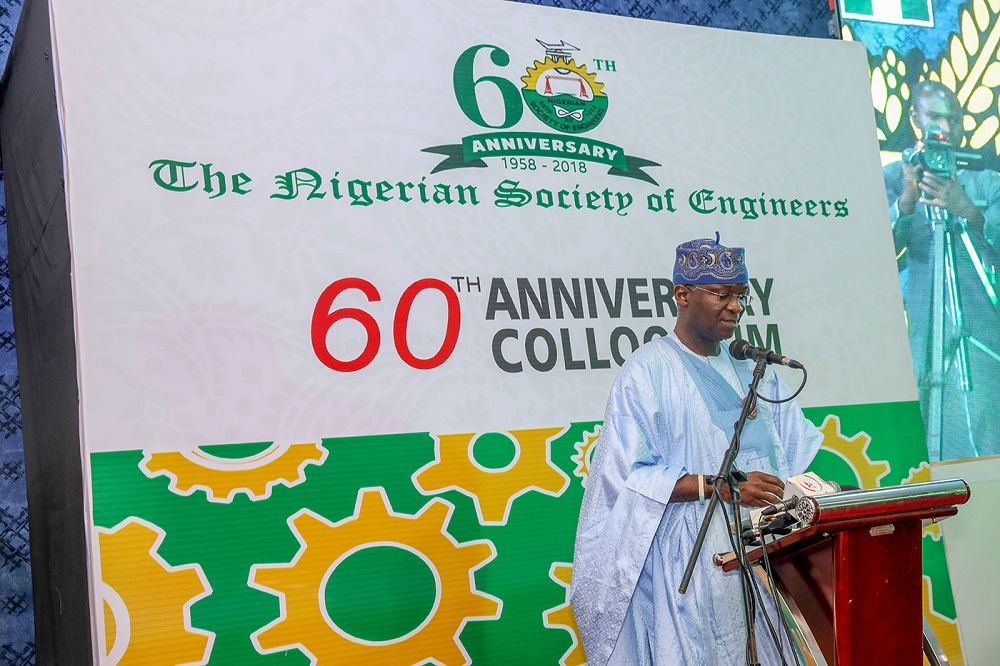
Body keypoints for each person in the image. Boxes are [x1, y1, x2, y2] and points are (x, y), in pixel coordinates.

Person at [569, 234, 822, 665]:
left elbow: (790, 452)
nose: (736, 307)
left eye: (741, 296)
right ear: (682, 295)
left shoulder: (752, 368)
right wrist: (720, 487)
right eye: (721, 294)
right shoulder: (648, 370)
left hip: (769, 547)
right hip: (697, 551)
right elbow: (627, 477)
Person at [884, 80, 1000, 459]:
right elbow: (871, 251)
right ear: (915, 118)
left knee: (986, 416)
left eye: (953, 119)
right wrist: (905, 203)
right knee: (929, 410)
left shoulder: (984, 181)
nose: (945, 128)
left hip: (982, 323)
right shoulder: (893, 177)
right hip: (922, 322)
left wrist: (969, 210)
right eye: (935, 117)